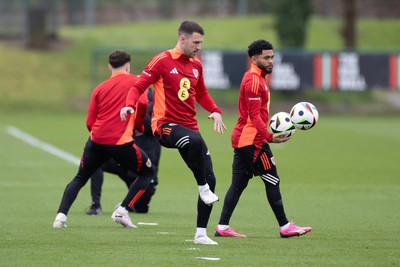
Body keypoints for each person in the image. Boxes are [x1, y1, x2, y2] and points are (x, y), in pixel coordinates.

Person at [120, 20, 227, 245]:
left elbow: (202, 94)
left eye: (201, 43)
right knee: (196, 144)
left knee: (211, 177)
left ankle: (200, 233)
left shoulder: (196, 65)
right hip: (164, 126)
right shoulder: (162, 61)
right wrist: (129, 104)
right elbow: (138, 86)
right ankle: (203, 188)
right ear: (182, 39)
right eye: (196, 42)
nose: (199, 47)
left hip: (190, 129)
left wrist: (215, 111)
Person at [214, 40, 312, 238]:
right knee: (272, 179)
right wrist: (268, 137)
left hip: (245, 139)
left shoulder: (258, 78)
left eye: (272, 57)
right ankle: (285, 227)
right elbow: (254, 116)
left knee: (239, 184)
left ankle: (222, 227)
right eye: (266, 57)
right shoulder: (253, 81)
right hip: (252, 141)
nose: (271, 61)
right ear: (254, 59)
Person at [53, 50, 154, 229]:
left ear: (109, 66)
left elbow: (89, 122)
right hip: (121, 141)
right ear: (128, 65)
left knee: (80, 177)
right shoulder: (137, 81)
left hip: (96, 140)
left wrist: (98, 137)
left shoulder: (99, 88)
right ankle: (122, 210)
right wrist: (139, 127)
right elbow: (144, 104)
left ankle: (60, 217)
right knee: (147, 172)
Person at [86, 88, 161, 215]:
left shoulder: (156, 107)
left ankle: (127, 203)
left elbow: (149, 127)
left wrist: (136, 109)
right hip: (127, 160)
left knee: (141, 210)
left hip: (143, 167)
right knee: (95, 164)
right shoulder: (128, 105)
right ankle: (95, 205)